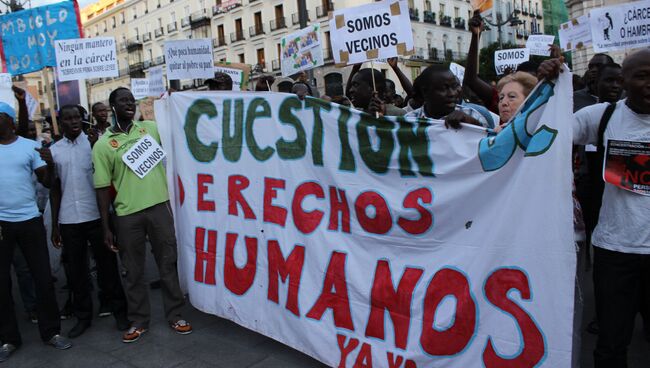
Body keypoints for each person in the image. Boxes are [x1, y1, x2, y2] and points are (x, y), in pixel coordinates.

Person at [539, 48, 650, 368]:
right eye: (642, 76)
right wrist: (547, 87)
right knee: (612, 342)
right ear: (623, 80)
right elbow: (545, 135)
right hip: (615, 252)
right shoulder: (601, 117)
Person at [92, 87, 191, 343]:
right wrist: (106, 226)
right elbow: (102, 188)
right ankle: (139, 320)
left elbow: (180, 123)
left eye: (131, 100)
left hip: (159, 207)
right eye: (123, 100)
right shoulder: (103, 145)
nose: (129, 104)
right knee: (133, 272)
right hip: (127, 215)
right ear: (112, 106)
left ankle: (176, 315)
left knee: (168, 263)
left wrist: (175, 99)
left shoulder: (151, 129)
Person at [0, 102, 72, 362]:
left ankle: (51, 332)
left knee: (42, 278)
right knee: (2, 284)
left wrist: (50, 165)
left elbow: (48, 182)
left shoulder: (29, 147)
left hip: (30, 220)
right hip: (1, 225)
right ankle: (8, 339)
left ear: (7, 119)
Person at [49, 105, 129, 338]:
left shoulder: (96, 143)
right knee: (76, 272)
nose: (73, 121)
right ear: (61, 122)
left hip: (96, 216)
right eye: (68, 118)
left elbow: (109, 175)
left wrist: (95, 146)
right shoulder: (54, 151)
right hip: (69, 219)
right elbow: (54, 190)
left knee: (108, 269)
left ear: (83, 120)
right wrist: (55, 224)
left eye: (77, 117)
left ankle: (120, 312)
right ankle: (83, 317)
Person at [405, 64, 497, 128]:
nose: (452, 93)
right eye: (444, 88)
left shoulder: (473, 115)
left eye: (454, 86)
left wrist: (474, 124)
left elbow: (489, 146)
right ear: (425, 92)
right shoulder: (408, 121)